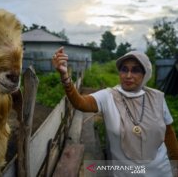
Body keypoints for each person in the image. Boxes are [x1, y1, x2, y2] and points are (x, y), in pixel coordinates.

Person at [52, 46, 178, 176]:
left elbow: (168, 133)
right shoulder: (108, 96)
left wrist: (176, 165)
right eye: (124, 69)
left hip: (161, 172)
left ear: (145, 74)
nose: (128, 75)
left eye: (135, 70)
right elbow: (80, 103)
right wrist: (65, 76)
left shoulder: (156, 97)